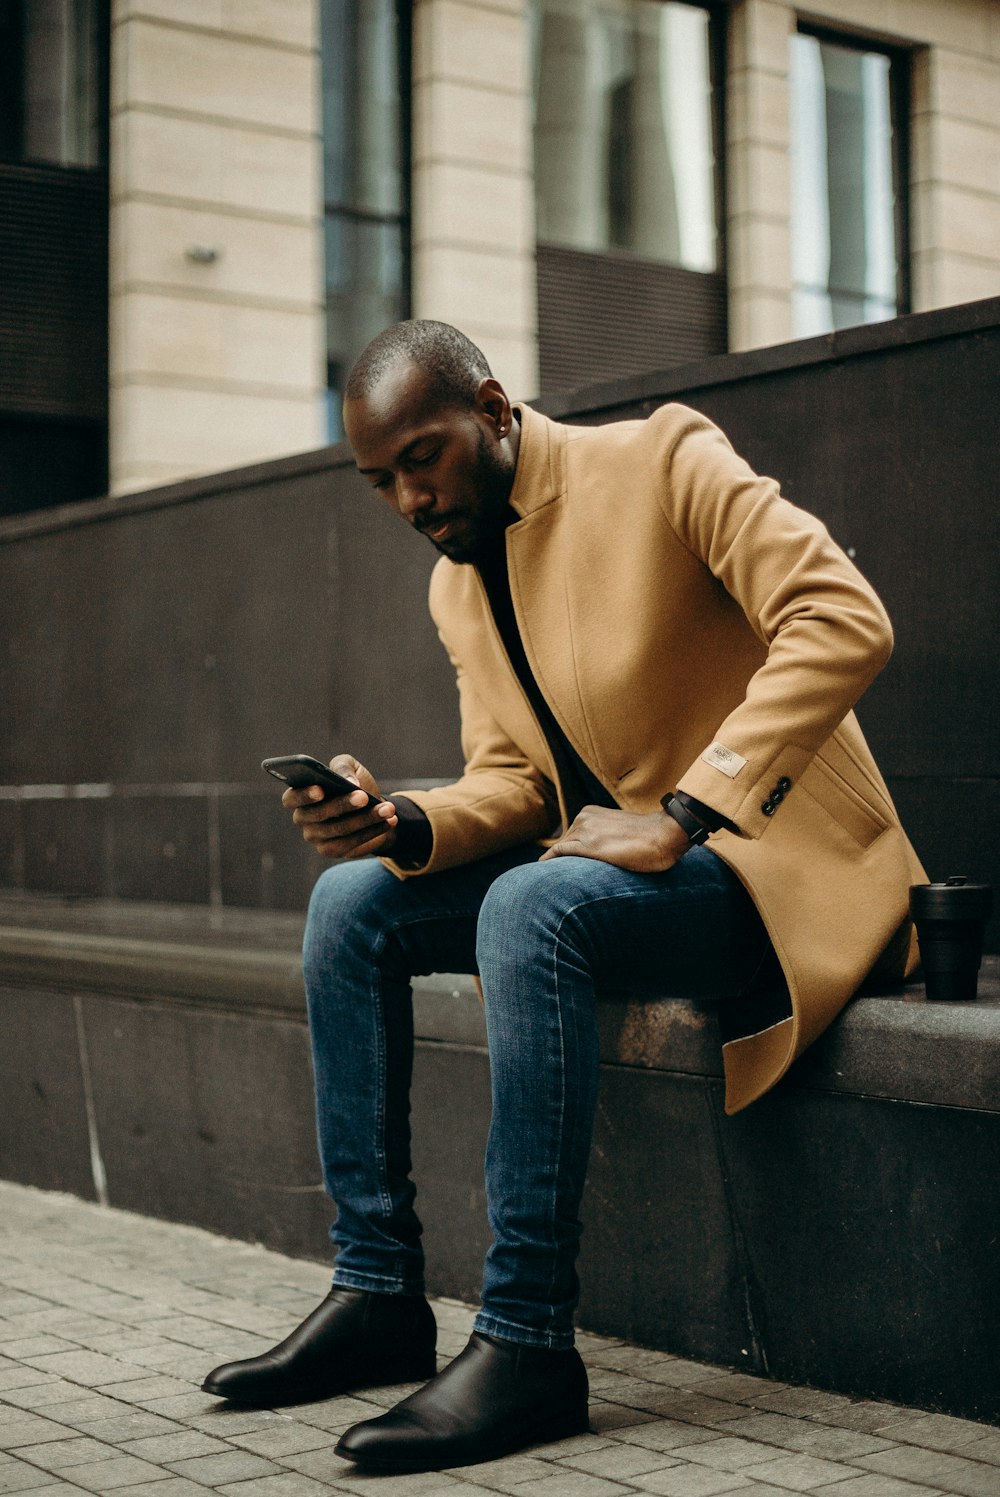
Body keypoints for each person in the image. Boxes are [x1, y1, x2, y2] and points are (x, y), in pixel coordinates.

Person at [203, 320, 923, 1473]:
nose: (405, 498)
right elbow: (516, 781)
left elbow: (844, 617)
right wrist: (405, 825)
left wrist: (688, 810)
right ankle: (378, 1291)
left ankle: (529, 1341)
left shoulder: (665, 460)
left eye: (420, 458)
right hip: (616, 882)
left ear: (490, 411)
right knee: (353, 902)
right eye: (378, 479)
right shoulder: (459, 586)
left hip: (771, 873)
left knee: (528, 910)